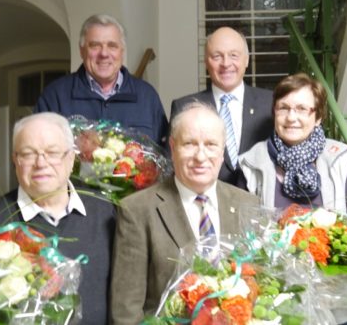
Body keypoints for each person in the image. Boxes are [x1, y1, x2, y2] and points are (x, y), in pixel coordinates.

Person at [238, 73, 347, 325]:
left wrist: (326, 253)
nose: (292, 117)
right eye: (284, 108)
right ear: (274, 113)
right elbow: (242, 234)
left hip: (338, 301)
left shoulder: (340, 159)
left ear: (318, 116)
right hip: (275, 300)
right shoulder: (251, 162)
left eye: (302, 108)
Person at [109, 102, 259, 324]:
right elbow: (125, 309)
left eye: (210, 144)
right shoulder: (137, 210)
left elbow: (260, 288)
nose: (200, 156)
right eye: (189, 144)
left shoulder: (248, 204)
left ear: (222, 149)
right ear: (172, 146)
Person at [0, 112, 116, 324]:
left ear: (71, 158)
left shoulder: (107, 214)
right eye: (28, 154)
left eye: (52, 152)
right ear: (15, 160)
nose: (41, 163)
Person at [34, 14, 168, 147]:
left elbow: (166, 155)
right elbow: (34, 148)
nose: (104, 54)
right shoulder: (54, 96)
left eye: (112, 46)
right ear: (82, 51)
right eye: (95, 45)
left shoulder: (147, 96)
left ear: (122, 51)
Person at [170, 26, 274, 185]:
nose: (226, 63)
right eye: (217, 56)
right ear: (206, 61)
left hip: (260, 204)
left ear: (246, 59)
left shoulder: (271, 103)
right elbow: (174, 163)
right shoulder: (185, 107)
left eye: (234, 55)